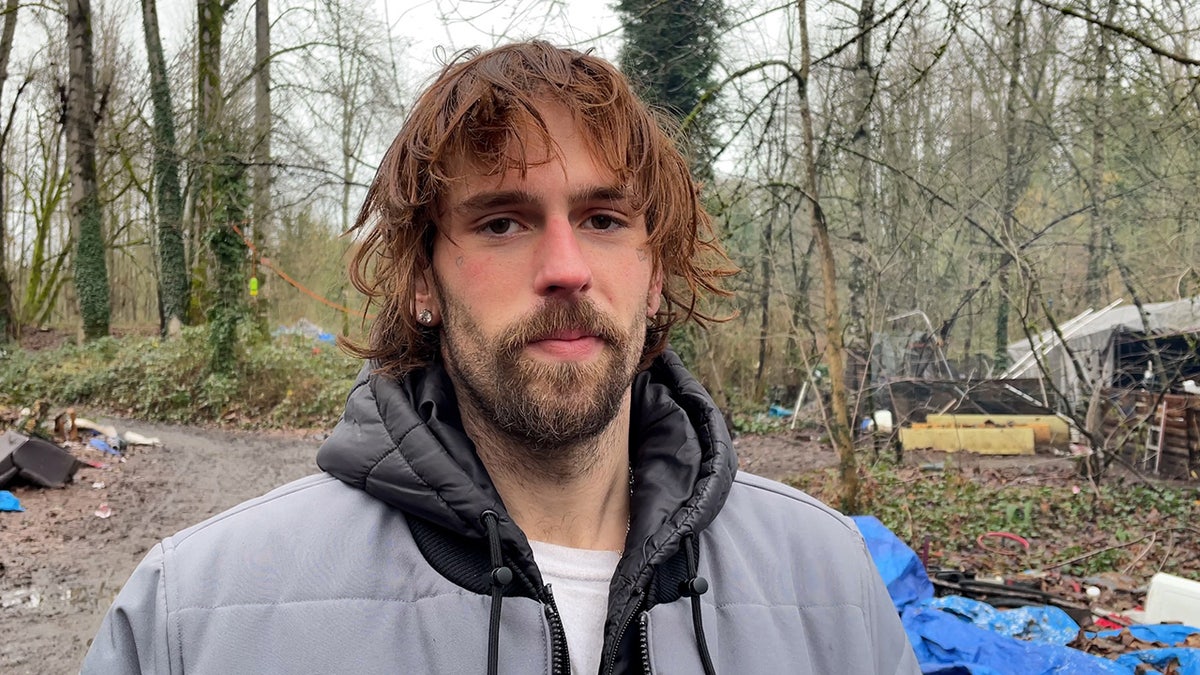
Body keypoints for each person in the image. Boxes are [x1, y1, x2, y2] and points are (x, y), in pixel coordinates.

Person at [83, 41, 919, 674]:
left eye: (603, 219)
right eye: (502, 222)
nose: (565, 267)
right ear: (422, 281)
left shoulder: (831, 583)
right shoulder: (198, 614)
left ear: (655, 273)